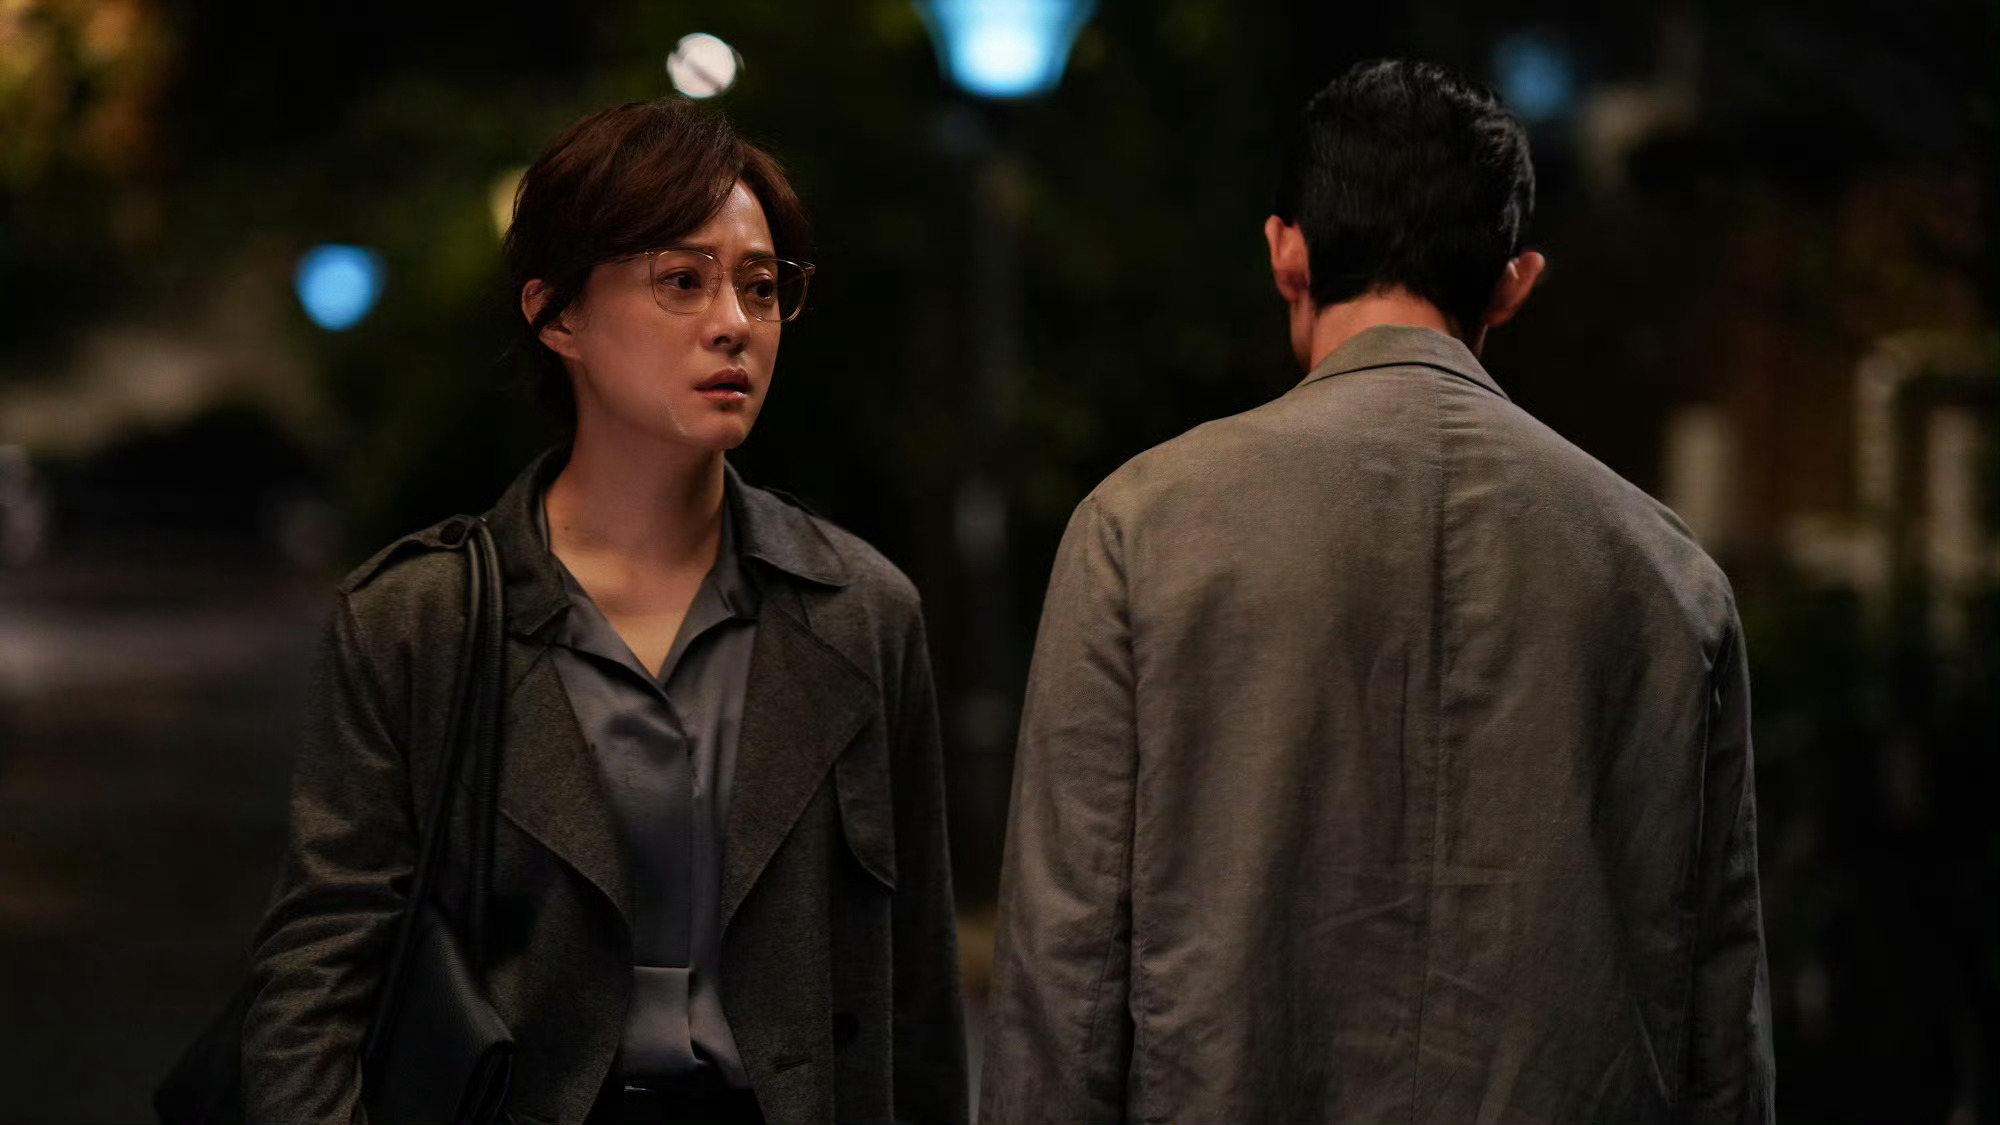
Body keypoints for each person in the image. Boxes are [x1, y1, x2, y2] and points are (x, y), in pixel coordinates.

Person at [980, 59, 1773, 1124]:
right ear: (1513, 284)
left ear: (1286, 252)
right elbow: (1719, 1023)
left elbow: (1063, 986)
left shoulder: (1139, 529)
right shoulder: (1665, 575)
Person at [241, 98, 967, 1125]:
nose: (734, 321)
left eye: (762, 287)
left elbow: (919, 994)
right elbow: (316, 978)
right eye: (683, 280)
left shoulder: (860, 612)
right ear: (557, 315)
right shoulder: (421, 621)